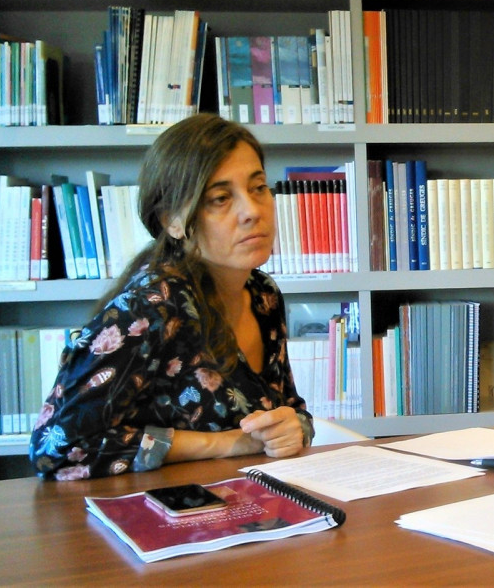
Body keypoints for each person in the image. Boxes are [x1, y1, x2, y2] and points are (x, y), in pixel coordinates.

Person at [30, 114, 313, 480]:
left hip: (245, 496)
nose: (252, 211)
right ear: (172, 221)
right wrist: (225, 444)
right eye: (220, 198)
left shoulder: (263, 294)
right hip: (155, 505)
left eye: (258, 188)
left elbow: (289, 408)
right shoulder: (148, 309)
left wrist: (295, 427)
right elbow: (55, 449)